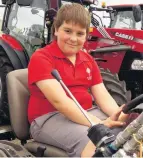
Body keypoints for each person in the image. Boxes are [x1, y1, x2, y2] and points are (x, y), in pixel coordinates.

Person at [28, 3, 129, 157]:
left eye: (80, 33)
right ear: (56, 30)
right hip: (49, 118)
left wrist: (119, 115)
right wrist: (97, 123)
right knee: (94, 138)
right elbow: (60, 102)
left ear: (86, 35)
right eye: (67, 31)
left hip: (87, 111)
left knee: (130, 130)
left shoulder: (88, 59)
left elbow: (102, 95)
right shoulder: (42, 58)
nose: (73, 39)